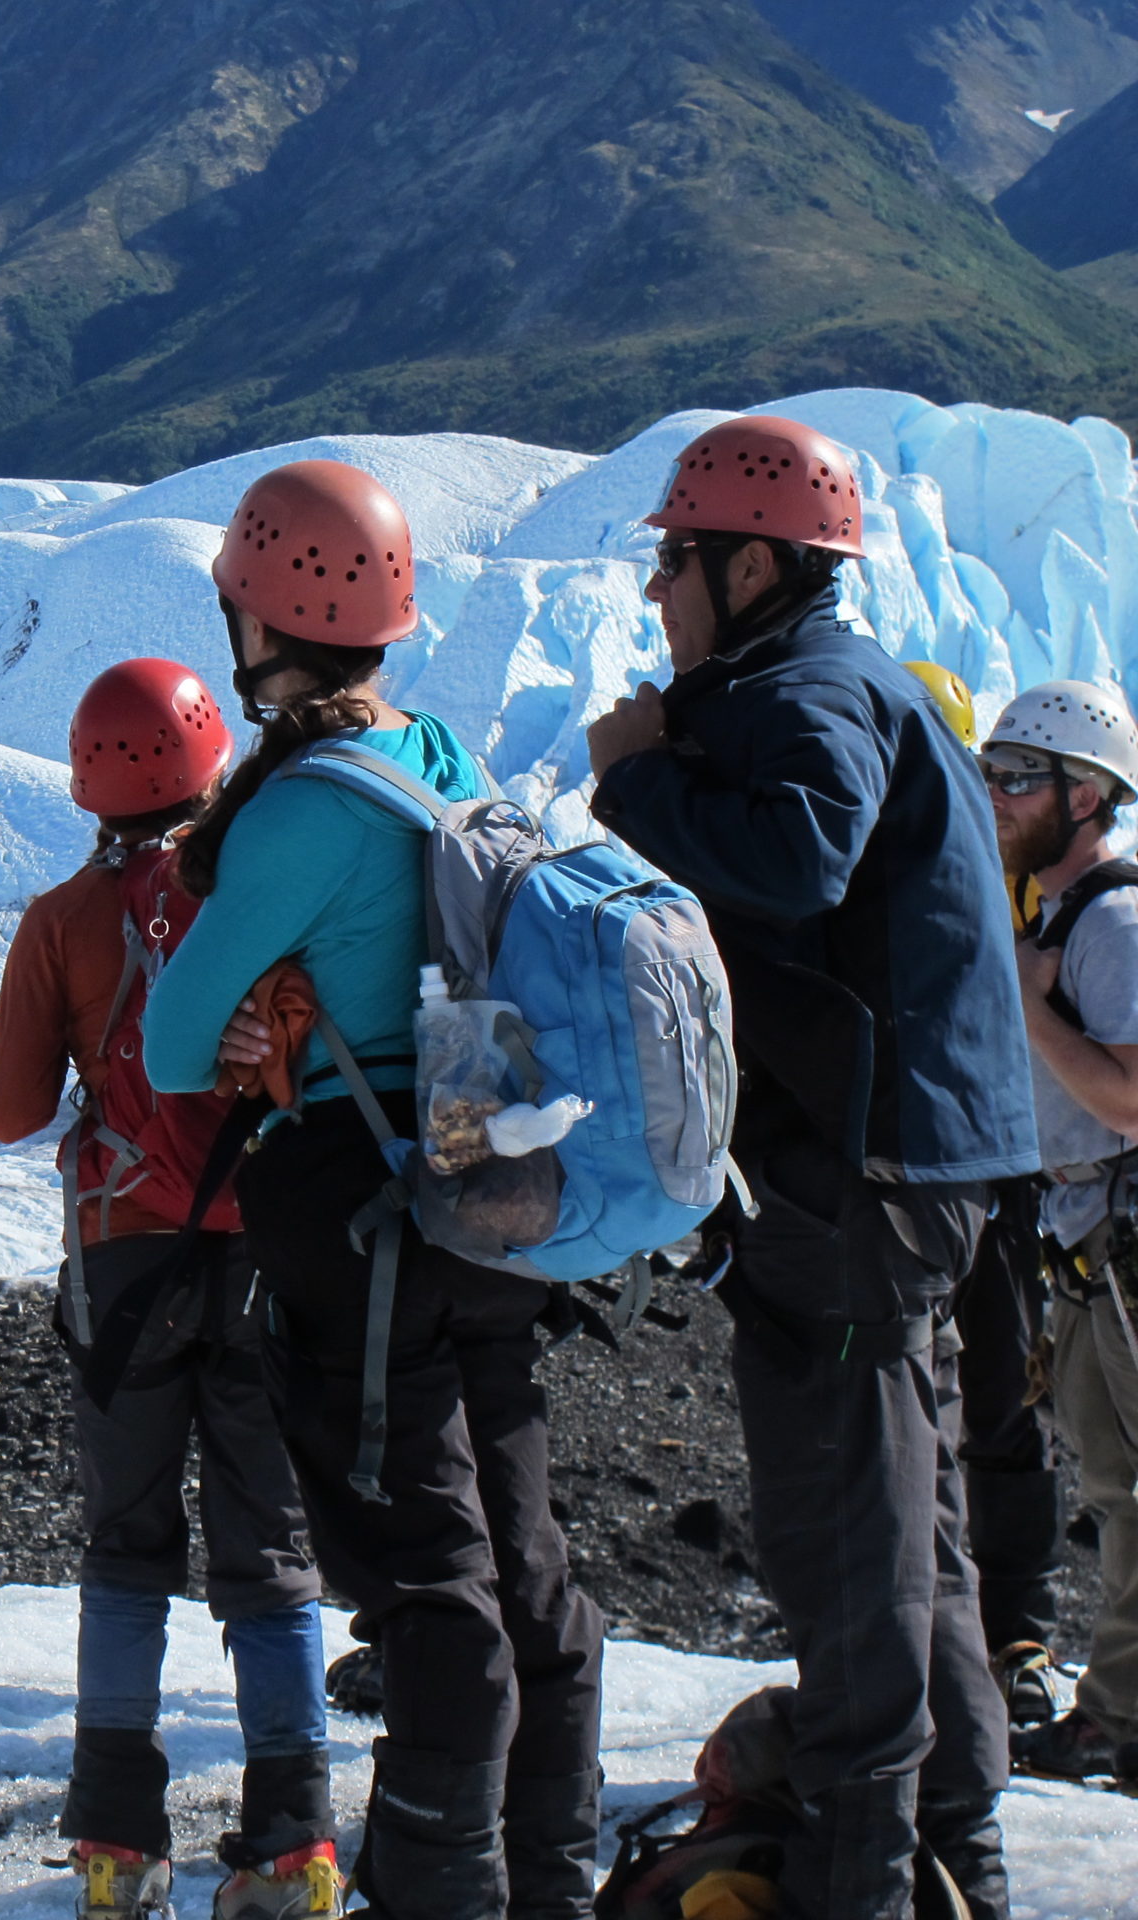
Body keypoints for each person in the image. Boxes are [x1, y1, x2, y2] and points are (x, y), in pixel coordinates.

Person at [583, 416, 1039, 1920]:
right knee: (923, 1546)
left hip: (855, 1182)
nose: (660, 589)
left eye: (677, 556)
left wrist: (640, 784)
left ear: (756, 562)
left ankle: (863, 1886)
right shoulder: (850, 683)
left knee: (851, 1548)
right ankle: (956, 1864)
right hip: (922, 1167)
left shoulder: (806, 691)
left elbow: (799, 859)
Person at [142, 461, 605, 1919]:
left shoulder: (298, 814)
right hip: (490, 1169)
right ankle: (549, 1884)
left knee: (425, 1575)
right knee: (520, 1555)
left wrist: (257, 1001)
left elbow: (170, 1043)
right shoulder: (445, 760)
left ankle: (435, 1896)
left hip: (360, 1206)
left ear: (262, 617)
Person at [0, 657, 340, 1920]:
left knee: (127, 1547)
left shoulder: (63, 919)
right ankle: (295, 1844)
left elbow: (10, 1110)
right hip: (267, 1253)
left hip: (125, 1261)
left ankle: (118, 1850)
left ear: (87, 778)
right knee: (270, 1549)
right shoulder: (261, 889)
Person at [980, 680, 1138, 1790]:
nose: (996, 796)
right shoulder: (1053, 918)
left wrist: (1027, 1005)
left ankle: (1119, 1716)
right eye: (990, 772)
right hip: (1088, 1239)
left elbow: (1131, 1101)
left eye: (1017, 777)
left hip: (1121, 1239)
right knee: (1119, 1487)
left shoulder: (1112, 925)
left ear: (1085, 797)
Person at [908, 661, 1072, 1726]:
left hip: (981, 1161)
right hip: (968, 1154)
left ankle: (1006, 1626)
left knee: (987, 1392)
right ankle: (989, 1625)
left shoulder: (1003, 868)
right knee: (987, 1393)